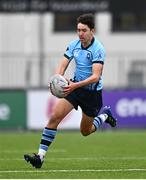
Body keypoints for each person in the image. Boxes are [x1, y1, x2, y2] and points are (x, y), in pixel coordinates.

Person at [24, 13, 117, 168]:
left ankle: (105, 116)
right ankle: (40, 157)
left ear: (92, 31)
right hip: (74, 88)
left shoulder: (98, 49)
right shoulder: (74, 45)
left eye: (84, 30)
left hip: (91, 94)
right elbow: (62, 65)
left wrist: (74, 85)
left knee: (85, 131)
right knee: (54, 117)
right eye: (78, 30)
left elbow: (95, 77)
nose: (80, 33)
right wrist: (56, 79)